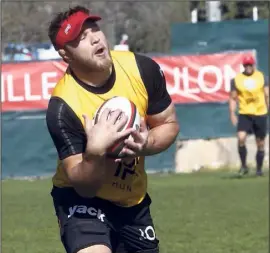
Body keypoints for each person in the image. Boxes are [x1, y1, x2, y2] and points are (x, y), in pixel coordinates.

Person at [46, 5, 179, 253]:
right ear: (66, 55)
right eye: (81, 38)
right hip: (81, 199)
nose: (95, 37)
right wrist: (95, 152)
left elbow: (169, 124)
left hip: (132, 201)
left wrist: (146, 143)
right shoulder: (63, 107)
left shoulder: (141, 69)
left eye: (94, 28)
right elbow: (84, 187)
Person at [229, 55, 269, 176]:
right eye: (246, 65)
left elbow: (267, 94)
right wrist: (232, 113)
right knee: (241, 138)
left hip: (260, 112)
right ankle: (244, 166)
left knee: (260, 143)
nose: (248, 67)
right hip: (245, 113)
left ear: (254, 65)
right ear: (243, 66)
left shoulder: (262, 77)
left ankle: (259, 169)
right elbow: (233, 97)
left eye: (250, 64)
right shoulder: (237, 79)